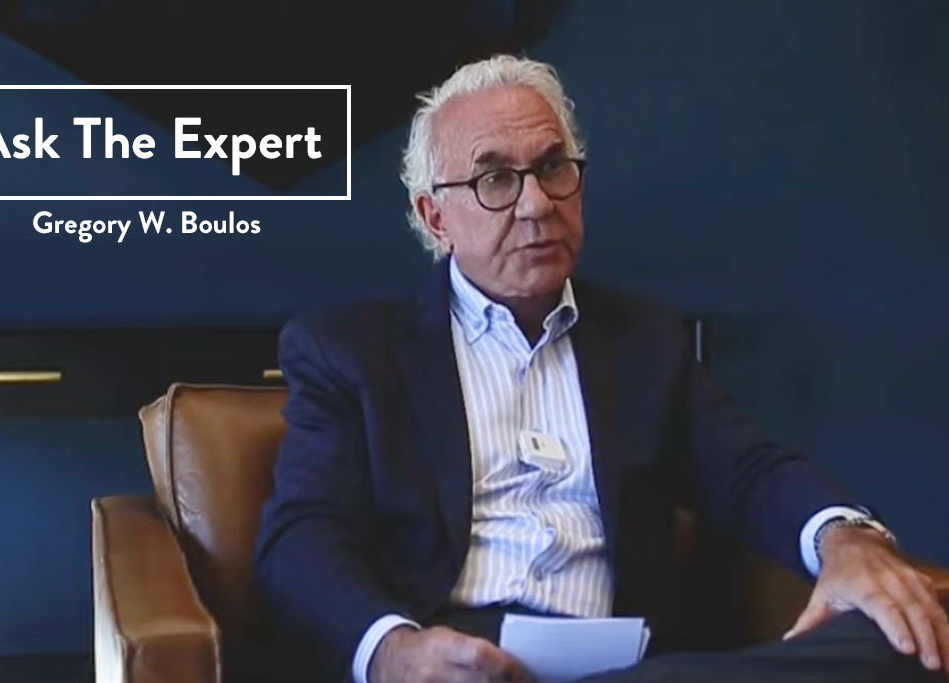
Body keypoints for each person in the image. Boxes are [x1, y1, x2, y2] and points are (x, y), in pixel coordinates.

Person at [253, 55, 948, 683]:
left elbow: (750, 472)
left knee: (910, 635)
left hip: (627, 660)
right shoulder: (353, 350)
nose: (536, 204)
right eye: (496, 179)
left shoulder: (643, 343)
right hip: (460, 658)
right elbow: (301, 538)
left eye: (553, 168)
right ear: (436, 218)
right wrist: (395, 652)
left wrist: (844, 538)